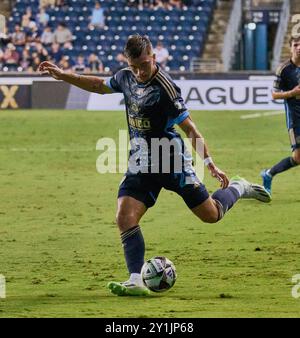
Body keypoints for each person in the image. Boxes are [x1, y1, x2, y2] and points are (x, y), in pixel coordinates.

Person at [38, 34, 271, 297]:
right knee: (124, 217)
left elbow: (190, 128)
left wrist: (210, 164)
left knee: (211, 215)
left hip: (172, 163)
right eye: (134, 66)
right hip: (141, 163)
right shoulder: (126, 76)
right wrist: (63, 75)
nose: (139, 72)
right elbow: (98, 85)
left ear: (154, 57)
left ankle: (239, 187)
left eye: (144, 65)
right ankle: (136, 279)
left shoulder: (166, 89)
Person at [261, 35, 300, 194]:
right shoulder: (284, 70)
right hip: (296, 119)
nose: (299, 48)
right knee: (297, 158)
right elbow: (274, 94)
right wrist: (293, 92)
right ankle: (269, 174)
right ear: (291, 48)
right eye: (296, 45)